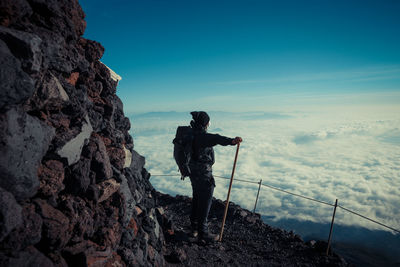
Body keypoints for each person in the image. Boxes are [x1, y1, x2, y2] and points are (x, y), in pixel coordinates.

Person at [188, 111, 242, 242]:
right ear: (205, 123)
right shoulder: (201, 137)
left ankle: (194, 228)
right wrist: (232, 141)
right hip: (203, 175)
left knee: (197, 198)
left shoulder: (191, 134)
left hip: (192, 173)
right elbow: (216, 138)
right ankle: (203, 233)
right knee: (205, 200)